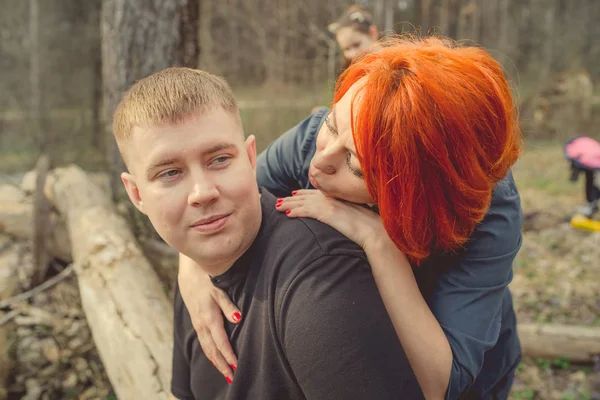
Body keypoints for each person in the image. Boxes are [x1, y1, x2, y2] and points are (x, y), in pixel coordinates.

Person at [178, 36, 523, 400]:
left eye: (357, 167)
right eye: (331, 126)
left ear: (419, 191)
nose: (320, 161)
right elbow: (223, 198)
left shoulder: (487, 213)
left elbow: (438, 384)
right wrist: (192, 268)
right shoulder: (313, 141)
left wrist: (379, 243)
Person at [113, 67, 423, 399]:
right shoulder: (195, 264)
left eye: (219, 159)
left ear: (250, 158)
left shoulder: (318, 279)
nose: (202, 192)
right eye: (171, 173)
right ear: (137, 195)